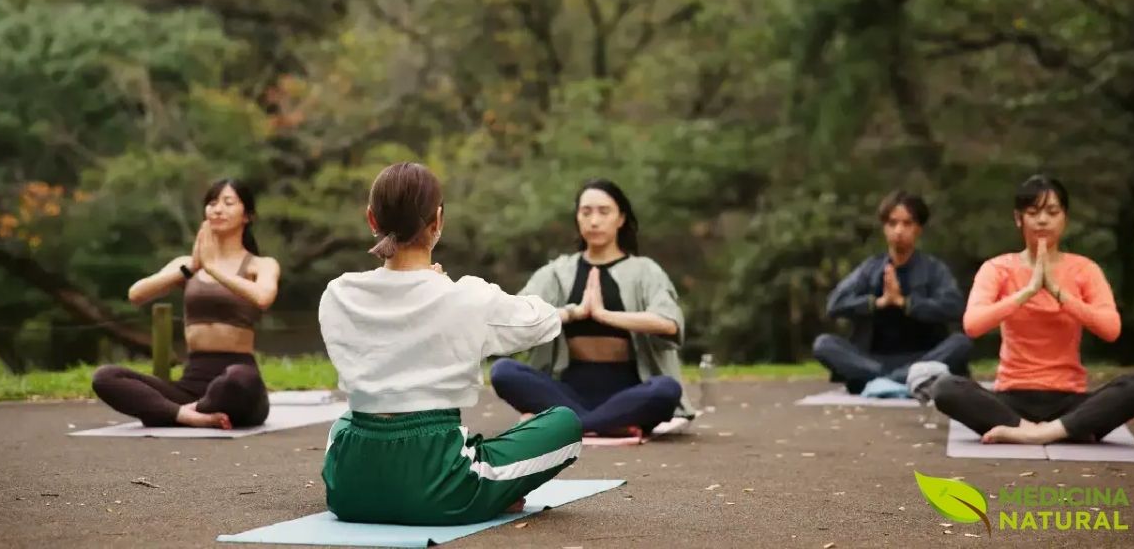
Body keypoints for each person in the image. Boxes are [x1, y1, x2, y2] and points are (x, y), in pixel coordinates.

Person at [319, 162, 581, 525]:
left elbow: (391, 342)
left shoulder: (337, 294)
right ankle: (491, 489)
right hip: (439, 488)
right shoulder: (467, 297)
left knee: (349, 418)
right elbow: (543, 321)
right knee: (564, 424)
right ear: (437, 221)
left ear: (371, 219)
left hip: (347, 489)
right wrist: (449, 290)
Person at [932, 175, 1134, 444]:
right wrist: (1026, 292)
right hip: (1011, 399)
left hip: (1069, 401)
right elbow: (973, 324)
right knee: (945, 388)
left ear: (1065, 218)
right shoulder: (998, 268)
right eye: (1033, 212)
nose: (1042, 220)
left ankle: (1042, 433)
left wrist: (1059, 293)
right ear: (1018, 218)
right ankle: (1035, 429)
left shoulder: (1085, 269)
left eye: (1052, 212)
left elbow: (1111, 329)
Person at [490, 179, 689, 437]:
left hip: (629, 393)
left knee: (666, 390)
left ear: (621, 218)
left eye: (604, 212)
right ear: (577, 218)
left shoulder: (645, 271)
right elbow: (514, 317)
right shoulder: (556, 273)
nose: (594, 221)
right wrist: (574, 312)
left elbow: (668, 323)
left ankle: (571, 424)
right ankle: (604, 424)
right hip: (564, 391)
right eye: (586, 212)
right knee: (503, 371)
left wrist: (606, 316)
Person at [92, 179, 278, 429]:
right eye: (212, 203)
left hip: (239, 381)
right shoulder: (186, 265)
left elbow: (263, 297)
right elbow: (136, 294)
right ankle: (189, 415)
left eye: (228, 202)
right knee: (106, 377)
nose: (218, 209)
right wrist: (192, 267)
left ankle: (177, 411)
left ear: (247, 216)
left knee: (235, 380)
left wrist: (213, 268)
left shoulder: (261, 264)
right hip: (190, 385)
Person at [813, 190, 972, 395]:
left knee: (961, 343)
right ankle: (896, 380)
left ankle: (888, 381)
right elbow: (835, 304)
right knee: (823, 344)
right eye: (892, 223)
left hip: (923, 359)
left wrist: (904, 303)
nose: (899, 230)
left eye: (907, 223)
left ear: (918, 229)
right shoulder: (870, 268)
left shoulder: (933, 269)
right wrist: (878, 302)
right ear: (884, 228)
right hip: (872, 361)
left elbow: (955, 307)